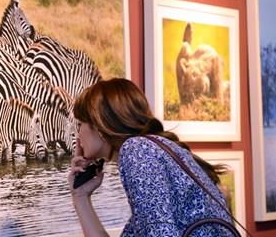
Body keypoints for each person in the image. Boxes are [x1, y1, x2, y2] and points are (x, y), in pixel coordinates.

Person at [68, 78, 235, 237]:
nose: (78, 134)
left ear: (98, 126)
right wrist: (80, 197)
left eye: (80, 124)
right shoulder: (150, 150)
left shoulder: (137, 151)